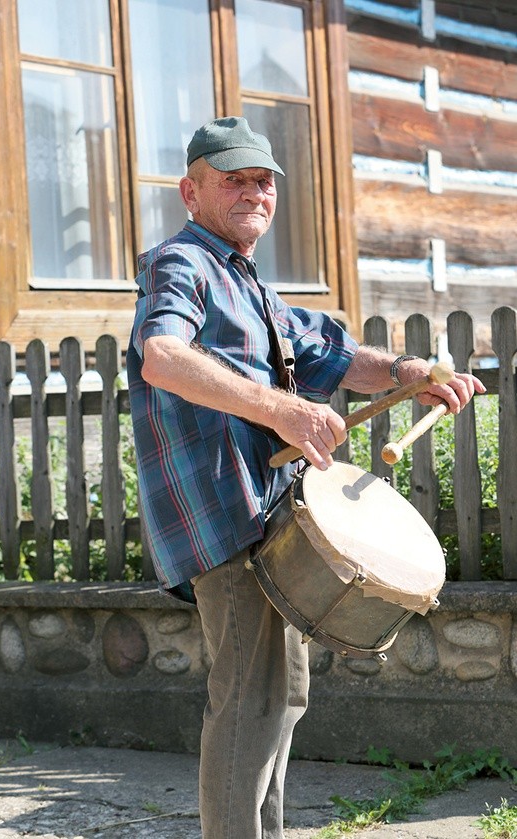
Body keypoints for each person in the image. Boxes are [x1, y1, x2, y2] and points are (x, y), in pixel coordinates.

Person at [126, 116, 485, 839]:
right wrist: (280, 408)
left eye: (263, 181)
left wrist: (411, 373)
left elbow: (336, 355)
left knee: (278, 702)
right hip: (225, 519)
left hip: (269, 519)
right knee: (248, 705)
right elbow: (161, 355)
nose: (254, 192)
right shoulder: (182, 264)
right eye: (234, 179)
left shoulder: (249, 284)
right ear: (189, 191)